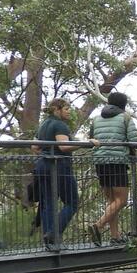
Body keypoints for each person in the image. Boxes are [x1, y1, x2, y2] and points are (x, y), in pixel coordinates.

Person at [88, 90, 137, 245]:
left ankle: (115, 236)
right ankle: (98, 225)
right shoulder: (125, 118)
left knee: (112, 201)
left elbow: (91, 138)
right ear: (123, 104)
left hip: (100, 162)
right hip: (117, 161)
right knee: (122, 200)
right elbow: (135, 141)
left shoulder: (96, 119)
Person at [32, 98, 87, 246]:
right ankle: (54, 233)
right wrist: (86, 144)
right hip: (60, 166)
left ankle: (50, 238)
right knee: (72, 202)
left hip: (43, 166)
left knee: (48, 202)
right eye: (66, 108)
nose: (69, 111)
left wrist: (46, 154)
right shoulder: (60, 125)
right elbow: (63, 146)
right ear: (57, 109)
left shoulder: (43, 124)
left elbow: (34, 147)